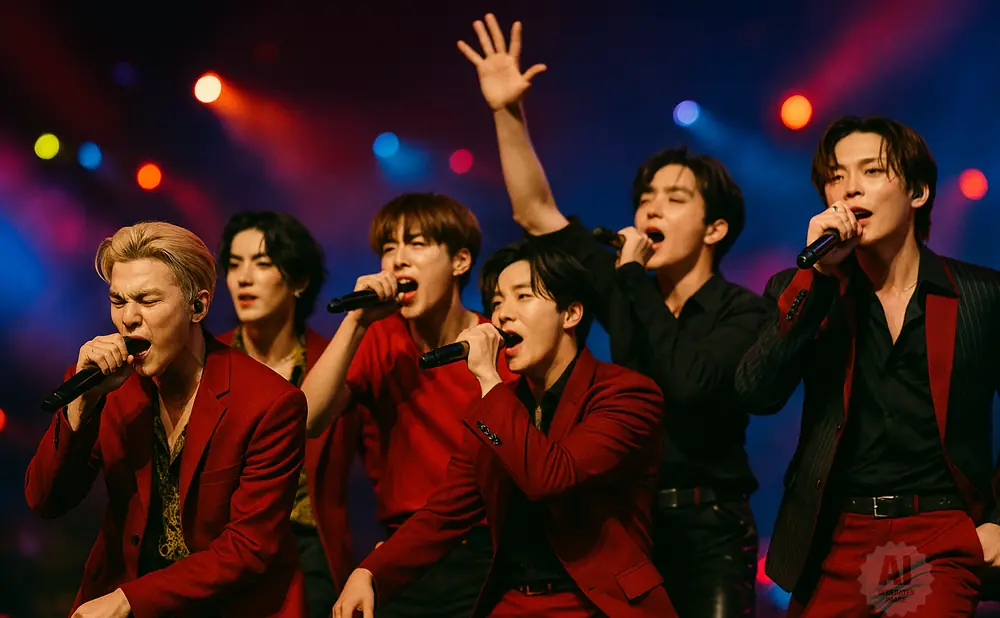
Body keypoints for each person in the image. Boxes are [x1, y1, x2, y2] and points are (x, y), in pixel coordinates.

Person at [457, 14, 768, 616]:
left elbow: (688, 384)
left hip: (710, 526)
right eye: (645, 197)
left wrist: (630, 276)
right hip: (626, 523)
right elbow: (536, 212)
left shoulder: (743, 311)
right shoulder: (623, 283)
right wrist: (505, 111)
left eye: (674, 200)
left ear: (717, 228)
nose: (651, 207)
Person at [735, 115, 999, 615]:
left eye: (872, 171)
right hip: (836, 534)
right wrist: (818, 279)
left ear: (917, 192)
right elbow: (756, 393)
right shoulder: (806, 290)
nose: (849, 188)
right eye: (836, 175)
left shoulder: (983, 296)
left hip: (940, 532)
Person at [333, 239, 674, 618]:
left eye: (522, 297)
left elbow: (552, 476)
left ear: (571, 314)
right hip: (510, 602)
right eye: (496, 303)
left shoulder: (626, 394)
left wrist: (487, 378)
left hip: (595, 604)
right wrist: (369, 572)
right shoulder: (499, 406)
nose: (502, 316)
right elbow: (445, 512)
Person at [25, 221, 307, 618]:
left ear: (198, 306)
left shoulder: (270, 403)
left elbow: (248, 548)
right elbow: (46, 501)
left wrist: (129, 600)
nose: (129, 318)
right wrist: (82, 404)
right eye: (118, 300)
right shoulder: (104, 385)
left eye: (147, 300)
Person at [301, 193, 515, 617]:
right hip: (404, 550)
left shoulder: (497, 340)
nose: (398, 261)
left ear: (460, 261)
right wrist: (357, 321)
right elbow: (307, 417)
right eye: (388, 248)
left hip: (487, 548)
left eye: (416, 244)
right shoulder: (381, 338)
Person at [216, 211, 381, 618]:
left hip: (310, 547)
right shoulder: (208, 360)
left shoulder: (335, 359)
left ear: (299, 281)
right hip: (219, 546)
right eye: (235, 265)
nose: (243, 278)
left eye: (262, 263)